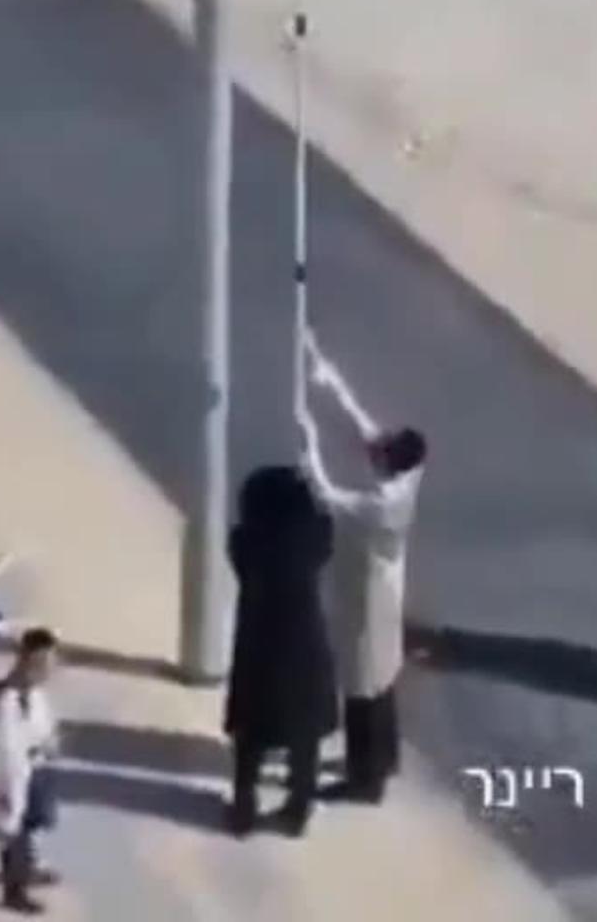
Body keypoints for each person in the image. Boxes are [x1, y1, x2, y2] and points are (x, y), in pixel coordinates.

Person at [299, 334, 427, 805]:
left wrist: (308, 444)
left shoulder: (384, 505)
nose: (376, 448)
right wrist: (330, 381)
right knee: (383, 677)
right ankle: (385, 758)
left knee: (361, 686)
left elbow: (326, 495)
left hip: (368, 596)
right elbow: (364, 431)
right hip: (385, 587)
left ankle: (363, 778)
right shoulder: (406, 476)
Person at [224, 464, 337, 838]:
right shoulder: (313, 539)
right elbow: (327, 528)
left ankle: (243, 806)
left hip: (258, 643)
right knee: (305, 735)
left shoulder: (245, 541)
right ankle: (298, 806)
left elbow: (238, 551)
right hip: (305, 643)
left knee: (251, 733)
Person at [0, 627, 60, 912]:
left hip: (36, 770)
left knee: (34, 822)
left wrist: (48, 743)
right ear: (26, 660)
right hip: (12, 775)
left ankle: (30, 865)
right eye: (42, 664)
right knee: (14, 831)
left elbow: (43, 726)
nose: (48, 671)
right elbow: (3, 745)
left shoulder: (36, 694)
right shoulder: (2, 696)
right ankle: (15, 890)